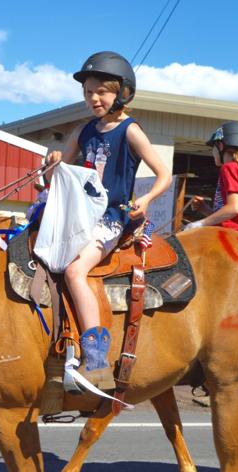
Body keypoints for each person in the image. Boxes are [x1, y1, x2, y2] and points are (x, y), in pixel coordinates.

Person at [45, 51, 171, 389]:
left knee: (74, 270)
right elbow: (57, 174)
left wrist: (144, 199)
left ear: (122, 93)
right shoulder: (83, 131)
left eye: (102, 91)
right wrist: (52, 161)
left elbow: (164, 174)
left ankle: (96, 356)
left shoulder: (130, 131)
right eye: (88, 93)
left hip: (112, 218)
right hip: (80, 213)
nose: (94, 98)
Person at [183, 121, 238, 235]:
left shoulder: (228, 168)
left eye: (212, 148)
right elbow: (232, 218)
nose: (212, 152)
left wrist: (199, 223)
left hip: (231, 234)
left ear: (220, 145)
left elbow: (234, 208)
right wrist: (205, 209)